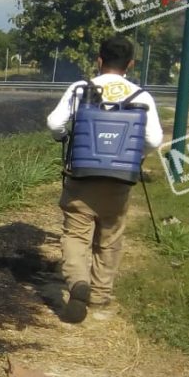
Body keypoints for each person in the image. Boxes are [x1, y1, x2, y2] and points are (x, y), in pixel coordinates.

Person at [46, 36, 163, 323]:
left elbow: (54, 123)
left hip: (82, 175)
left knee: (75, 233)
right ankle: (99, 294)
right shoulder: (141, 96)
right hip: (120, 179)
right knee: (110, 236)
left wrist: (62, 136)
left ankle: (77, 282)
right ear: (131, 64)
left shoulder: (80, 88)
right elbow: (154, 139)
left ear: (99, 60)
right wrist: (134, 154)